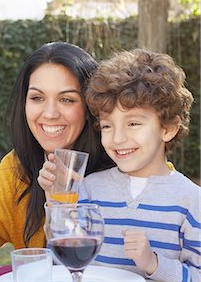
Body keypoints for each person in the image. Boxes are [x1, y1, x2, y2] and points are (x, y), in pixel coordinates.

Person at [0, 42, 114, 253]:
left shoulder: (126, 165)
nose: (50, 113)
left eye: (67, 99)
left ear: (91, 106)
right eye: (37, 98)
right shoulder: (15, 171)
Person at [78, 49, 199, 281]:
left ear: (167, 129)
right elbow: (66, 258)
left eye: (133, 123)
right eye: (107, 126)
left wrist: (153, 263)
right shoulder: (88, 189)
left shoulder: (191, 201)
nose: (117, 138)